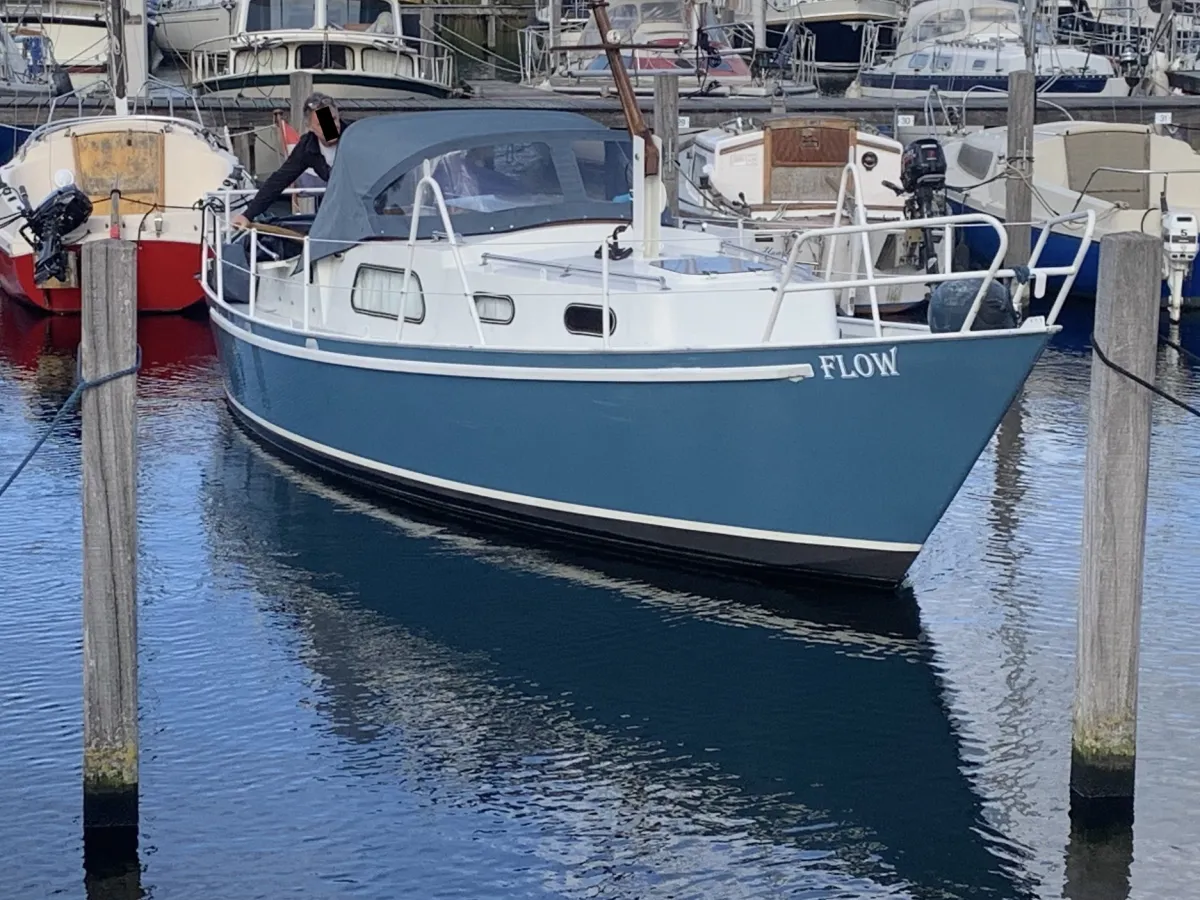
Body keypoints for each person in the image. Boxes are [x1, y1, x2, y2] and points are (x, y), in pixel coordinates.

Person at [232, 92, 346, 228]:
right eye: (323, 123)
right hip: (340, 206)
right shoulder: (307, 147)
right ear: (309, 127)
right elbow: (279, 180)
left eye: (333, 119)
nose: (331, 127)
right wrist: (247, 215)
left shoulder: (355, 135)